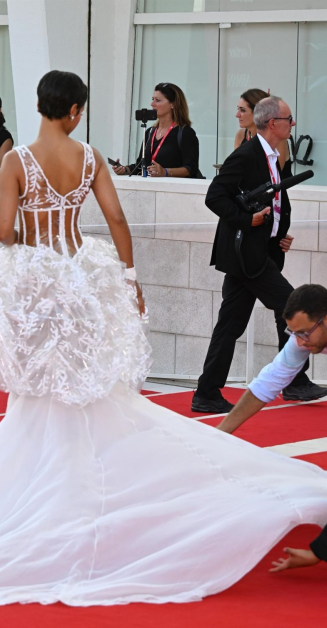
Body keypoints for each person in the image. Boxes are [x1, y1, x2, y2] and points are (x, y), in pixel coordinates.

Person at [0, 72, 327, 609]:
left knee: (40, 392)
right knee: (91, 389)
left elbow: (2, 231)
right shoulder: (89, 157)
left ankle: (53, 492)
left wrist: (32, 237)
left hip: (35, 282)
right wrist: (129, 279)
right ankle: (86, 493)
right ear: (73, 111)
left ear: (42, 106)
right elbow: (115, 218)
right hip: (84, 278)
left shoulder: (15, 159)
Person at [191, 96, 326, 414]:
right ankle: (294, 381)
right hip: (244, 255)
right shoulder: (248, 155)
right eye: (289, 119)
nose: (293, 124)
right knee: (294, 307)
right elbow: (215, 196)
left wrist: (277, 234)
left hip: (258, 252)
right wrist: (246, 221)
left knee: (230, 324)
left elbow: (274, 203)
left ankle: (206, 392)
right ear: (273, 123)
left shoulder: (275, 155)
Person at [216, 284, 327, 573]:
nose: (300, 343)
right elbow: (268, 382)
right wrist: (218, 433)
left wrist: (318, 551)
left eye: (305, 333)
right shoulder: (306, 336)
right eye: (294, 334)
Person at [112, 82, 199, 178]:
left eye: (157, 100)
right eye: (152, 99)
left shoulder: (185, 133)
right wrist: (124, 169)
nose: (152, 104)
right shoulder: (149, 132)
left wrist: (165, 172)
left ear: (173, 104)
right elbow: (141, 165)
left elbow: (190, 168)